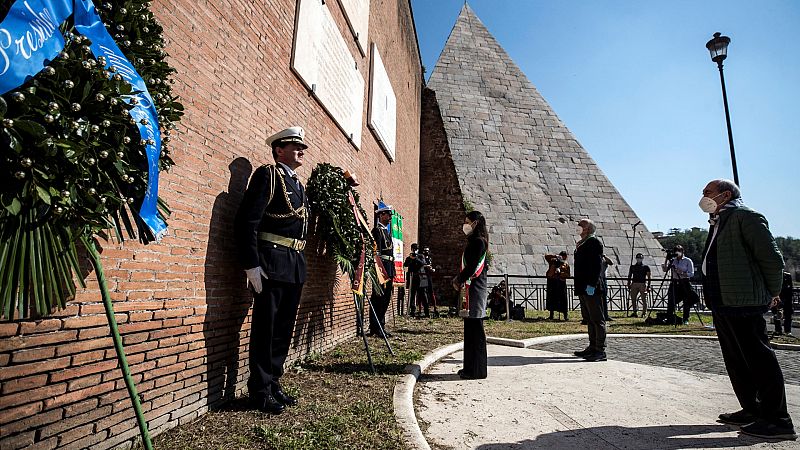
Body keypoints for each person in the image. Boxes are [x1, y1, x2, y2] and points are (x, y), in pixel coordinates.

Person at [699, 179, 795, 440]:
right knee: (736, 359)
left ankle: (779, 420)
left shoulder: (746, 217)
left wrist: (774, 292)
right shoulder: (720, 220)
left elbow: (771, 259)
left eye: (707, 192)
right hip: (723, 300)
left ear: (725, 194)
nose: (703, 196)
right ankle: (753, 409)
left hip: (744, 301)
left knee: (758, 359)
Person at [234, 126, 309, 415]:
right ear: (279, 150)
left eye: (302, 147)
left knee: (283, 329)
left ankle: (274, 381)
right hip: (271, 263)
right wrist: (251, 263)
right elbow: (247, 221)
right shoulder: (268, 174)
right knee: (266, 328)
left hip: (293, 264)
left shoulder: (298, 184)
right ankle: (260, 389)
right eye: (295, 146)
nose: (301, 151)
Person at [452, 210, 489, 379]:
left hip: (475, 288)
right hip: (470, 287)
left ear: (475, 223)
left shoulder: (479, 242)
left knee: (476, 330)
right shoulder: (473, 241)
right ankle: (469, 367)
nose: (465, 225)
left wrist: (459, 279)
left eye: (468, 221)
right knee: (469, 330)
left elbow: (473, 266)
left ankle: (477, 370)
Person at [572, 218, 607, 362]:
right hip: (583, 286)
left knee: (597, 319)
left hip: (592, 287)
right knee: (590, 319)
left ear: (588, 229)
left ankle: (600, 350)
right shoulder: (584, 243)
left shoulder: (594, 242)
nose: (579, 229)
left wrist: (592, 284)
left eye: (582, 226)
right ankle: (592, 347)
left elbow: (596, 265)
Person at [370, 205, 395, 337]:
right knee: (378, 298)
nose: (390, 217)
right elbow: (376, 253)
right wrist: (380, 271)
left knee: (385, 299)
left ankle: (381, 325)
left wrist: (393, 272)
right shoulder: (377, 231)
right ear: (381, 215)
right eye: (387, 214)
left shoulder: (386, 231)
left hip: (389, 269)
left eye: (390, 215)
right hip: (382, 269)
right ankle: (375, 327)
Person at [662, 245, 698, 324]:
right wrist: (666, 259)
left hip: (684, 282)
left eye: (678, 251)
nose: (677, 253)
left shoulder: (687, 260)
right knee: (671, 301)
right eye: (675, 252)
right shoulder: (673, 260)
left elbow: (691, 274)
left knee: (686, 301)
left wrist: (681, 272)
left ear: (682, 252)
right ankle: (669, 318)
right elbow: (665, 270)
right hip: (675, 282)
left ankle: (685, 319)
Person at [403, 243, 430, 318]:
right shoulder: (409, 257)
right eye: (413, 249)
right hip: (412, 278)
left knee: (423, 296)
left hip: (420, 279)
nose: (414, 250)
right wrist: (410, 259)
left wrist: (416, 258)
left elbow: (423, 264)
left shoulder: (421, 256)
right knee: (412, 295)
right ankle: (412, 311)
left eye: (416, 249)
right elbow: (405, 265)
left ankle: (426, 312)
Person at [544, 251, 570, 321]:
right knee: (551, 299)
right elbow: (546, 256)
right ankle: (551, 315)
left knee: (563, 300)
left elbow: (568, 275)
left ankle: (565, 315)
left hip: (561, 283)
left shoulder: (565, 264)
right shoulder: (553, 261)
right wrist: (555, 256)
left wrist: (561, 273)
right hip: (552, 282)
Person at [627, 253, 651, 317]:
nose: (639, 259)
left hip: (642, 284)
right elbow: (630, 275)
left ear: (642, 259)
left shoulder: (646, 267)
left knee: (644, 299)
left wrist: (648, 286)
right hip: (634, 283)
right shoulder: (632, 267)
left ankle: (644, 312)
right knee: (633, 298)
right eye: (638, 258)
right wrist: (628, 283)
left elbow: (649, 277)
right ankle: (635, 311)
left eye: (640, 258)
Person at [773, 271, 794, 335]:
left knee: (788, 314)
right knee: (777, 313)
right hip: (777, 296)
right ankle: (778, 330)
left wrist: (791, 299)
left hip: (787, 297)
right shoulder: (774, 276)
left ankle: (787, 331)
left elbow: (790, 289)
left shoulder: (787, 276)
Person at [420, 246, 438, 316]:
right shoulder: (421, 258)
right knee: (423, 293)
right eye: (425, 251)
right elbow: (421, 265)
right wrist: (426, 266)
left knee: (431, 292)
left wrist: (432, 269)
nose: (426, 252)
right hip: (423, 276)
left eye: (427, 251)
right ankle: (424, 309)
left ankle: (434, 307)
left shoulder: (429, 259)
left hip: (429, 276)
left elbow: (430, 266)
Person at [599, 254, 614, 321]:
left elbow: (611, 262)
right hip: (595, 280)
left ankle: (605, 315)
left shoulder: (604, 260)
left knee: (604, 298)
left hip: (603, 280)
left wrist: (604, 256)